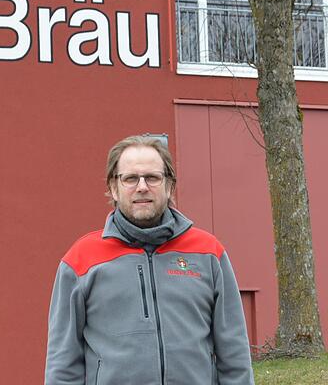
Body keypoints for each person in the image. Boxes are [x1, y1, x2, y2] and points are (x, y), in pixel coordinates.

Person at [44, 135, 253, 385]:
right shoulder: (80, 260)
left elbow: (235, 354)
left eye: (152, 177)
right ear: (113, 187)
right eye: (131, 178)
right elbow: (63, 363)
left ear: (169, 186)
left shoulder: (209, 253)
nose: (142, 187)